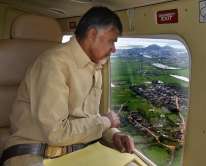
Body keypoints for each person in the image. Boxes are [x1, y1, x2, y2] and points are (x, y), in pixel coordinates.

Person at [1, 6, 134, 166]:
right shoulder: (53, 64)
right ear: (93, 34)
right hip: (34, 152)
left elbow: (88, 119)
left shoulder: (96, 67)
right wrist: (105, 122)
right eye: (112, 41)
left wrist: (112, 135)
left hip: (77, 150)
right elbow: (56, 133)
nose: (114, 49)